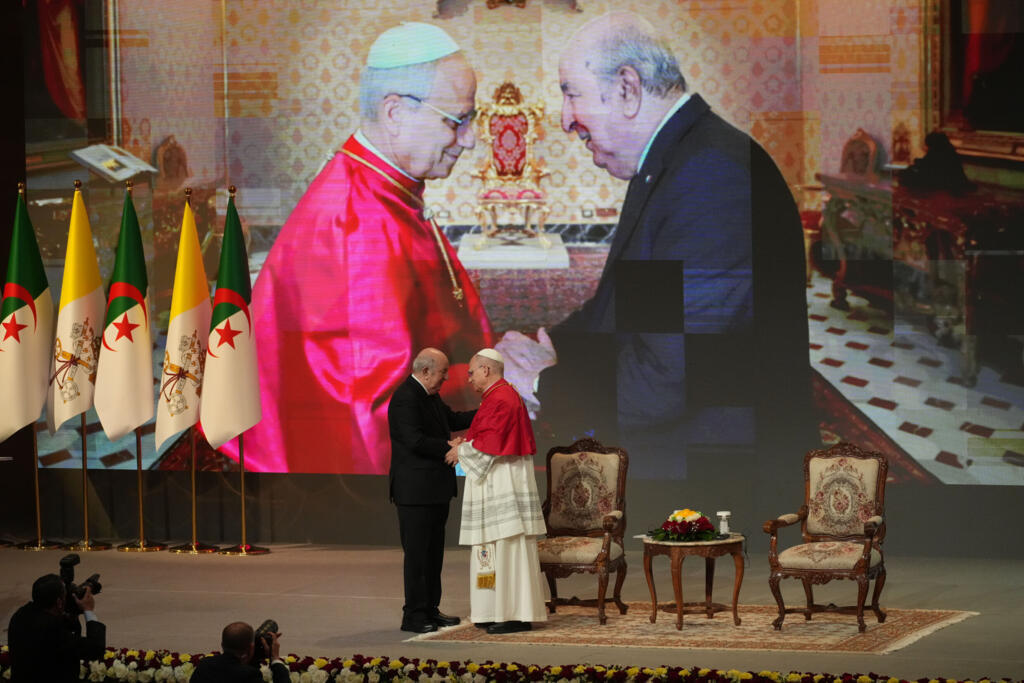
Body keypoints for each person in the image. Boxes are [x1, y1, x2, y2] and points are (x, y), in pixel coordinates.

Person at [498, 12, 816, 479]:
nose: (566, 120)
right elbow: (635, 310)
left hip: (719, 484)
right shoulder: (678, 161)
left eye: (571, 92)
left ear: (627, 89)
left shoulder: (711, 177)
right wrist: (548, 346)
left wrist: (544, 380)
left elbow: (669, 379)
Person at [219, 22, 493, 474]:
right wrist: (485, 383)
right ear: (395, 112)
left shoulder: (384, 186)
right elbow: (375, 408)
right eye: (457, 120)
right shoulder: (355, 223)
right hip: (336, 471)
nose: (470, 138)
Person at [449, 348, 547, 634]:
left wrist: (460, 452)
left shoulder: (502, 397)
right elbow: (484, 436)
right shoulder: (494, 397)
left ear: (486, 370)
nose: (468, 379)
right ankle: (490, 609)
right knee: (489, 551)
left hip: (504, 484)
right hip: (491, 484)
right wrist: (466, 444)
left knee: (507, 548)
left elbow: (490, 443)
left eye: (471, 372)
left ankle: (515, 614)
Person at [387, 347, 474, 633]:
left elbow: (453, 420)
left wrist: (490, 410)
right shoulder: (405, 398)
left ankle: (430, 609)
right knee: (417, 556)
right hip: (415, 493)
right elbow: (414, 440)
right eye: (442, 373)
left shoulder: (429, 396)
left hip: (434, 490)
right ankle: (413, 615)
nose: (445, 378)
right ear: (425, 371)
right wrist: (452, 448)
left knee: (433, 555)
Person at [7, 574, 105, 683]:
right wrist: (88, 610)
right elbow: (95, 649)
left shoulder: (20, 615)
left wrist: (71, 614)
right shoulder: (51, 629)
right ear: (59, 602)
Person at [189, 621, 289, 683]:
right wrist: (275, 659)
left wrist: (253, 657)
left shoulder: (204, 665)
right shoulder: (249, 675)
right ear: (251, 647)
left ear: (222, 644)